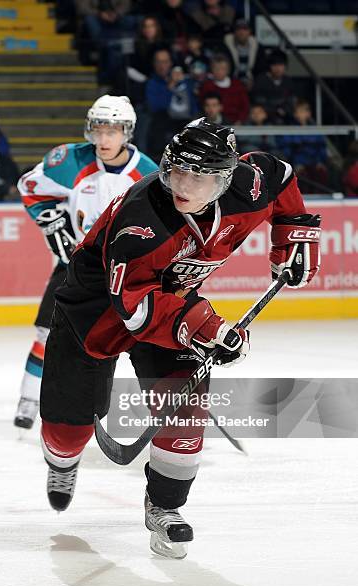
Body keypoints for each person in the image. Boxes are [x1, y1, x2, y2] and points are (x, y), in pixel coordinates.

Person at [38, 118, 321, 559]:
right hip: (94, 313)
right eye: (176, 172)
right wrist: (207, 327)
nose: (182, 186)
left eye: (198, 176)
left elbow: (279, 175)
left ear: (226, 178)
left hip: (171, 305)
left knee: (186, 412)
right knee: (68, 429)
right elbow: (134, 308)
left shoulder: (247, 185)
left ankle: (164, 508)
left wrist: (294, 235)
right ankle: (62, 461)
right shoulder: (143, 220)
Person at [14, 95, 158, 430]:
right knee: (46, 331)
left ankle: (164, 407)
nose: (105, 139)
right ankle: (29, 397)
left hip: (127, 271)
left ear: (128, 132)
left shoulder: (148, 174)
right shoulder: (69, 161)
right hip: (77, 263)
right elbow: (30, 188)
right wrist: (50, 220)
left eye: (114, 131)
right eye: (99, 130)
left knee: (147, 338)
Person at [199, 55, 250, 124]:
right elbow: (203, 107)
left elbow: (245, 106)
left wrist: (240, 121)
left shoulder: (237, 85)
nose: (220, 71)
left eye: (223, 68)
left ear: (228, 69)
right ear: (212, 69)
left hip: (237, 124)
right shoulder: (207, 86)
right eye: (217, 68)